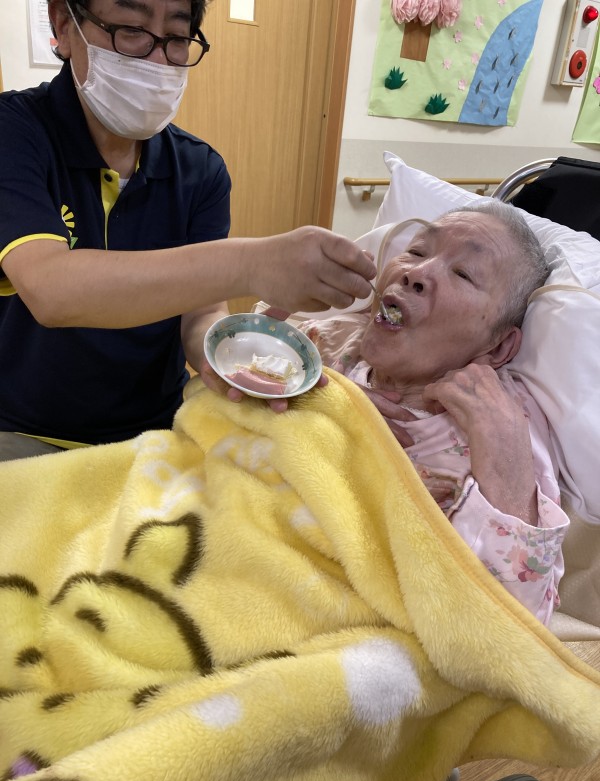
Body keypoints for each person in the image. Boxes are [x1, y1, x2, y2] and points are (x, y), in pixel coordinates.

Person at [0, 0, 375, 461]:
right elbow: (51, 289)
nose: (158, 59)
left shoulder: (200, 170)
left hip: (156, 430)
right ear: (64, 24)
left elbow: (201, 314)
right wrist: (251, 264)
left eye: (177, 38)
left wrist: (232, 356)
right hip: (23, 429)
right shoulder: (15, 131)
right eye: (131, 29)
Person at [210, 201, 569, 627]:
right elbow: (218, 423)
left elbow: (518, 623)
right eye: (416, 251)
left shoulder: (502, 427)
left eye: (463, 274)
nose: (416, 272)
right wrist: (310, 399)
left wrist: (507, 470)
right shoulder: (324, 345)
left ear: (498, 347)